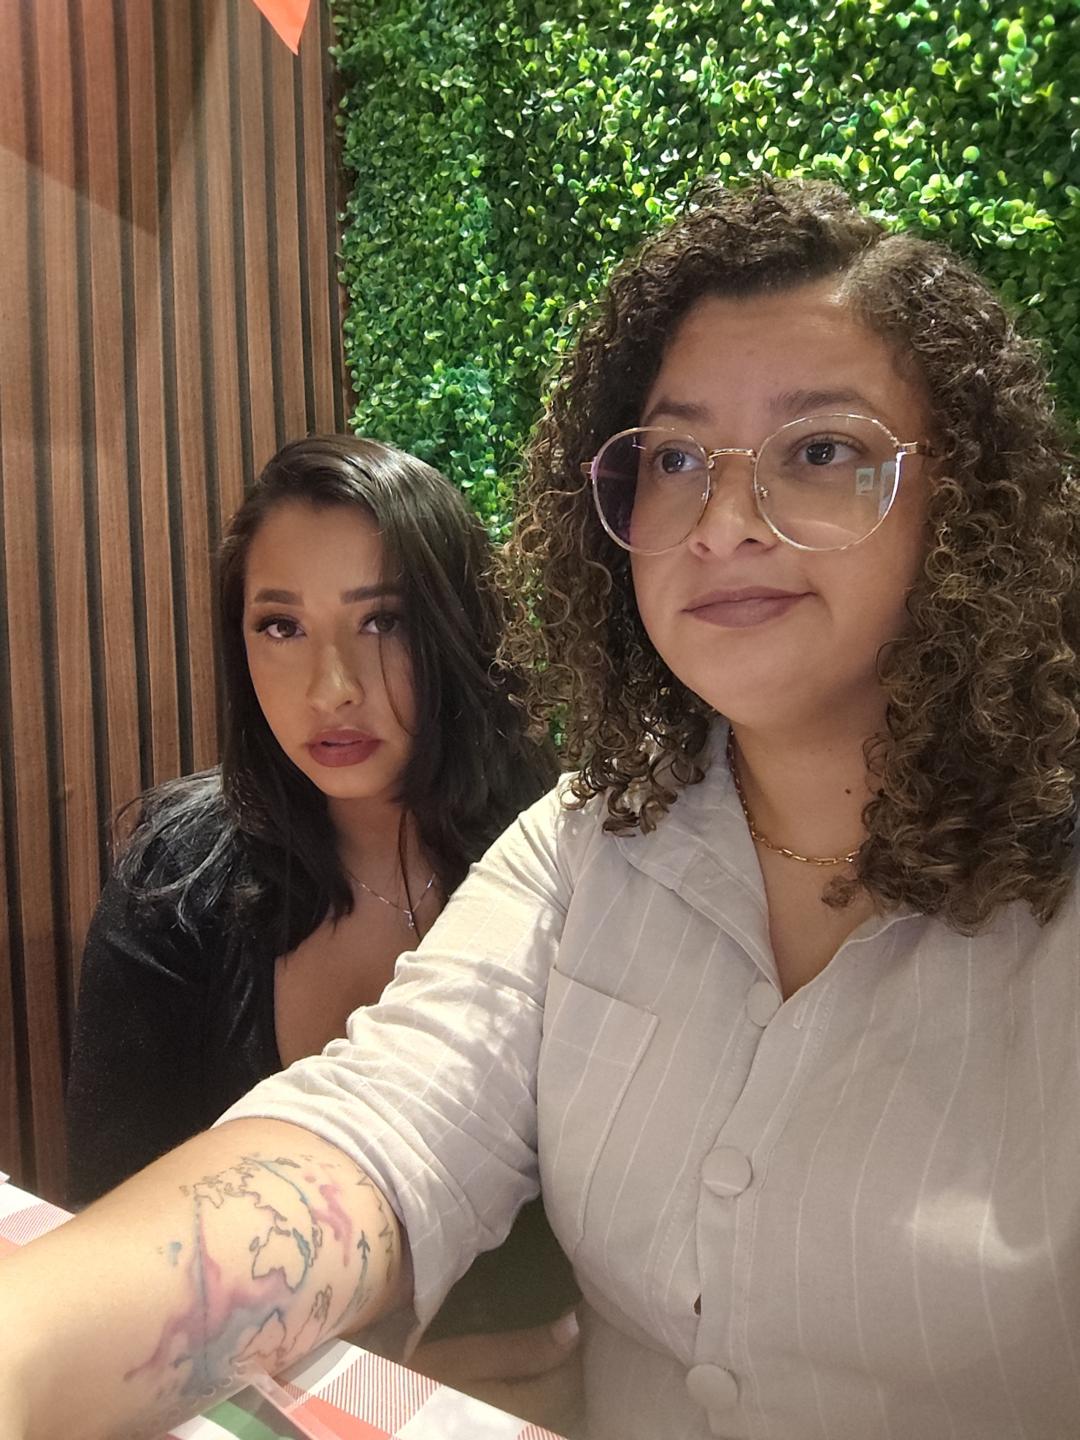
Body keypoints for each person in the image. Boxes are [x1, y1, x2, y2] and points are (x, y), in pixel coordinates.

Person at [2, 178, 1079, 1440]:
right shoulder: (586, 843)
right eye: (676, 459)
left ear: (965, 508)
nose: (723, 521)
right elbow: (381, 1123)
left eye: (821, 451)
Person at [63, 434, 579, 1404]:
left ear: (458, 627)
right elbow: (112, 1232)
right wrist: (381, 1387)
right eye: (281, 626)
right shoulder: (179, 877)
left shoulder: (572, 857)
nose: (331, 686)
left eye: (382, 621)